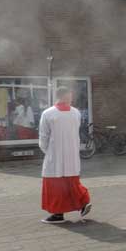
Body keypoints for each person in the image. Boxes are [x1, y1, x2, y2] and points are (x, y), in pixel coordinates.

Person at [38, 87, 92, 224]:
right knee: (71, 184)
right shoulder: (76, 113)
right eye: (70, 96)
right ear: (67, 96)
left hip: (55, 156)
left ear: (57, 96)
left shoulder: (48, 113)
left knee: (55, 186)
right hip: (72, 155)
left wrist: (49, 153)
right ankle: (83, 202)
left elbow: (43, 137)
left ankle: (58, 214)